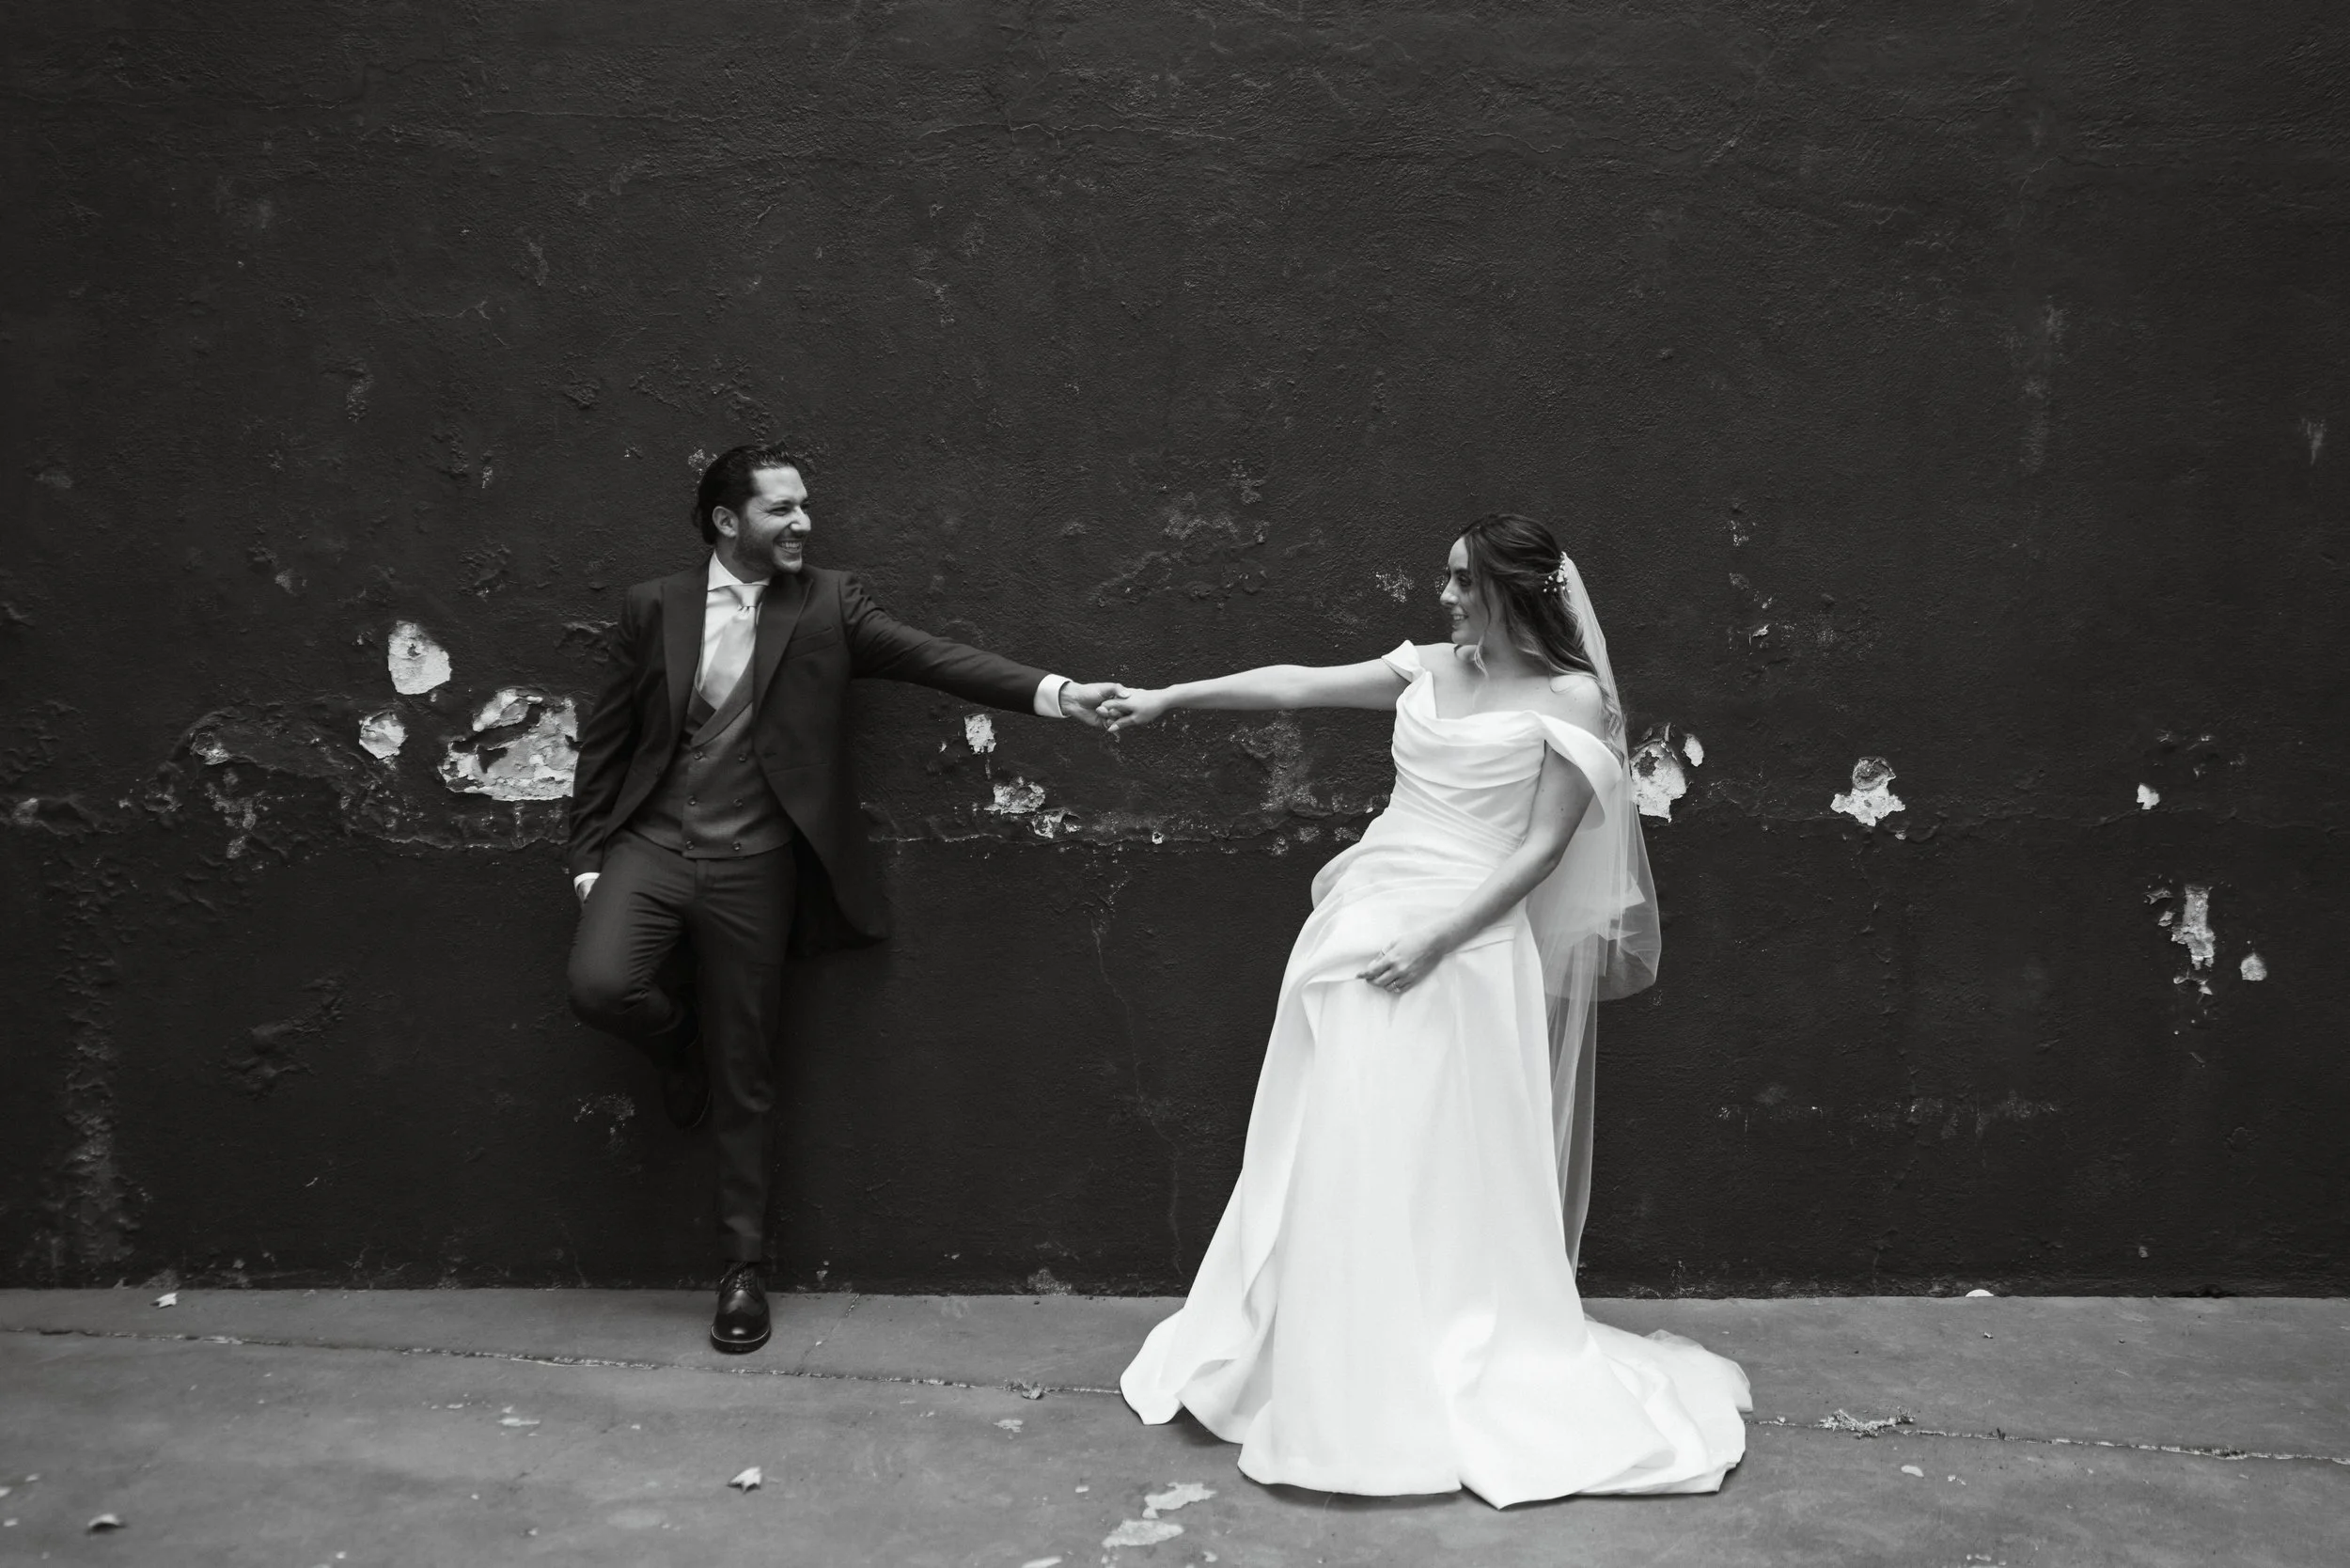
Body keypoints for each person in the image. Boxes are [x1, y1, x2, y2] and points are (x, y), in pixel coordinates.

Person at [1104, 513, 1750, 1506]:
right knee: (1336, 1135)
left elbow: (1538, 851)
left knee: (1435, 1150)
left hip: (1462, 947)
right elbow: (1296, 683)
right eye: (1445, 578)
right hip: (1366, 924)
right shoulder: (1430, 668)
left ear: (1514, 590)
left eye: (1461, 581)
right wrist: (1168, 698)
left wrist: (1437, 940)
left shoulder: (1573, 698)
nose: (1443, 596)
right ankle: (1324, 1354)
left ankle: (1423, 1354)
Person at [565, 442, 1118, 1354]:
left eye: (804, 506)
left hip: (756, 864)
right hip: (650, 849)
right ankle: (677, 1045)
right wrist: (589, 859)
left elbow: (936, 659)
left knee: (748, 1071)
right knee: (598, 986)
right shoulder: (651, 607)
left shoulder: (828, 604)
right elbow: (606, 741)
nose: (803, 523)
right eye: (781, 509)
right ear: (726, 522)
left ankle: (741, 1272)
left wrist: (1058, 695)